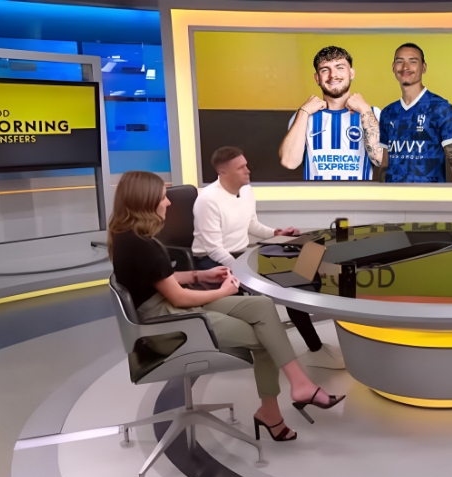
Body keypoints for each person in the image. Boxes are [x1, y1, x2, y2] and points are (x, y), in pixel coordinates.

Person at [108, 170, 344, 442]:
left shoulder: (127, 237)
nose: (169, 202)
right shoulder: (144, 246)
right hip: (169, 322)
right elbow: (179, 298)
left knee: (262, 306)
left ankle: (299, 386)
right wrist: (222, 291)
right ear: (146, 202)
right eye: (163, 197)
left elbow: (159, 280)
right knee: (266, 336)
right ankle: (275, 409)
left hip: (163, 308)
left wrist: (201, 275)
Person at [193, 146, 346, 370]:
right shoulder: (208, 200)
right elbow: (214, 249)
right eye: (241, 167)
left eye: (246, 165)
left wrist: (276, 233)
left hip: (240, 256)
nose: (248, 170)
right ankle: (310, 350)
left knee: (297, 279)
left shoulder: (246, 190)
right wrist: (245, 271)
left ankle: (316, 349)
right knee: (285, 286)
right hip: (212, 262)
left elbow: (252, 225)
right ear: (223, 172)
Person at [279, 46, 382, 181]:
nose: (333, 75)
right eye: (325, 70)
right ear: (317, 78)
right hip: (316, 195)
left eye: (340, 67)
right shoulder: (304, 116)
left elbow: (380, 159)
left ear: (351, 73)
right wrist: (303, 112)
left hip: (357, 195)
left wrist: (365, 109)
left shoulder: (373, 113)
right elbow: (289, 162)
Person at [377, 43, 452, 183]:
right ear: (393, 67)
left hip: (430, 196)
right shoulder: (387, 112)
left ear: (424, 67)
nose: (405, 67)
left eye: (413, 61)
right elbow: (385, 165)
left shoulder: (440, 108)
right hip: (393, 196)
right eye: (400, 61)